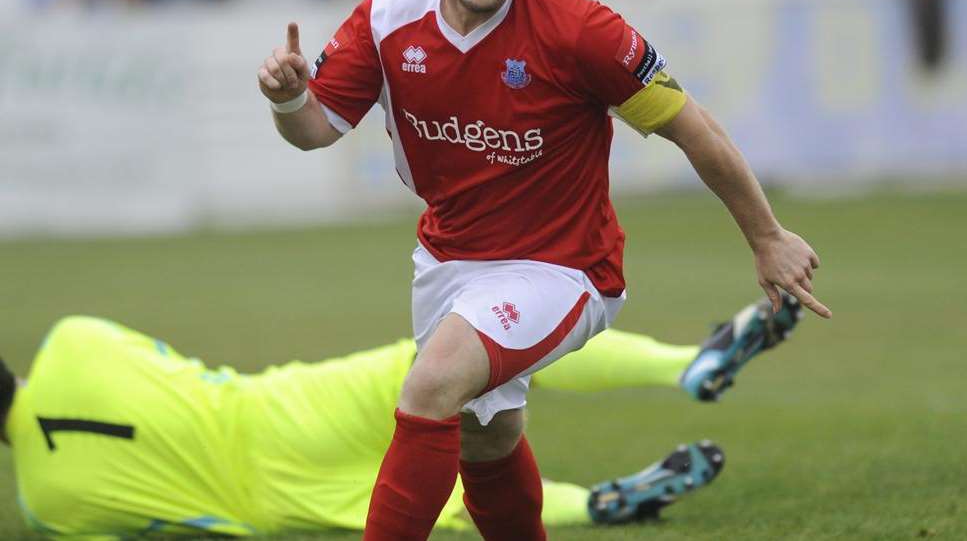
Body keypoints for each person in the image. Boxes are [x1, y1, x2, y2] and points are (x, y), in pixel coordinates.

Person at [257, 0, 830, 541]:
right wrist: (289, 99)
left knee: (432, 384)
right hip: (447, 263)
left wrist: (766, 235)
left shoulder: (578, 28)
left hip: (563, 268)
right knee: (485, 441)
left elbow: (692, 128)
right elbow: (314, 131)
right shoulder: (386, 19)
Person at [1, 295, 800, 537]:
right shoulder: (76, 339)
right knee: (486, 353)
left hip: (266, 501)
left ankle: (598, 504)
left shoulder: (43, 502)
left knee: (448, 509)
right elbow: (169, 365)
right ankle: (680, 365)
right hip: (279, 406)